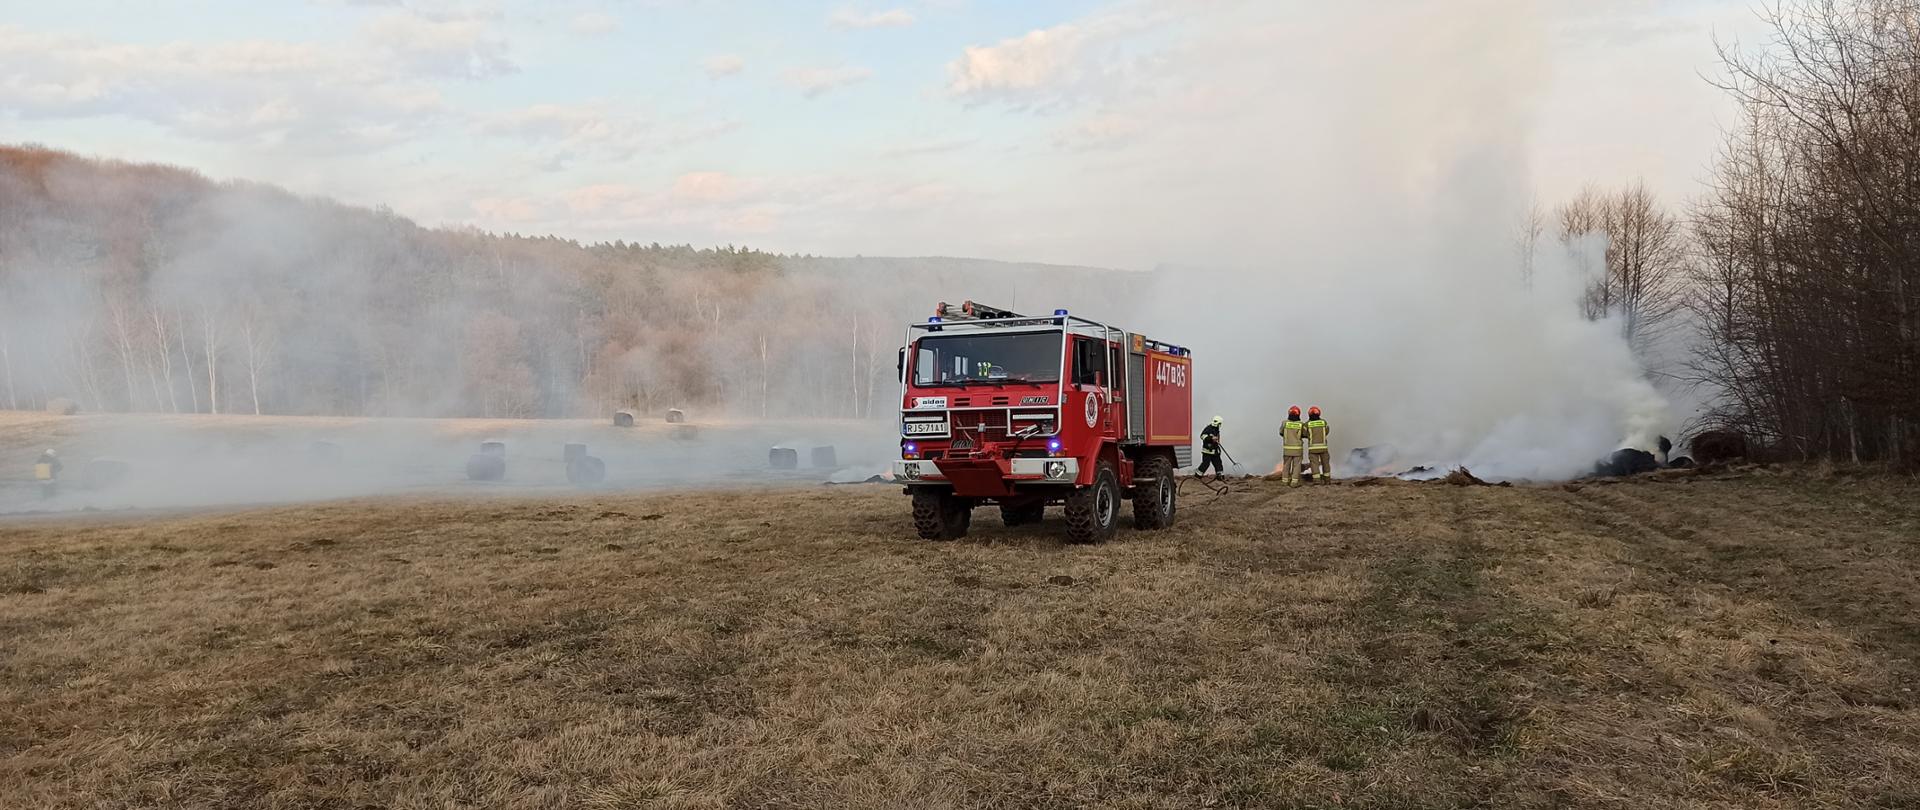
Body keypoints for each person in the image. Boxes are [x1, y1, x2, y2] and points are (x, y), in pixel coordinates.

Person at [1279, 406, 1307, 487]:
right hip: (1297, 450)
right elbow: (1305, 434)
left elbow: (1281, 432)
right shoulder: (1301, 424)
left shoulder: (1284, 423)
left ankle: (1285, 482)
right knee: (1296, 466)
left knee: (1286, 465)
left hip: (1287, 449)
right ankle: (1294, 483)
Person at [1306, 406, 1332, 483]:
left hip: (1313, 448)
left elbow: (1304, 433)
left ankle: (1317, 481)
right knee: (1325, 463)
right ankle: (1327, 480)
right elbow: (1327, 431)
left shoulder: (1307, 424)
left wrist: (1311, 436)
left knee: (1314, 464)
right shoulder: (1324, 422)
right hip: (1323, 447)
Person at [1197, 416, 1225, 481]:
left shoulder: (1216, 429)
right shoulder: (1208, 428)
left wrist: (1217, 441)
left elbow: (1217, 437)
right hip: (1207, 451)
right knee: (1205, 464)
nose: (1220, 425)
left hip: (1215, 450)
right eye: (1220, 424)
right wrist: (1211, 438)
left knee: (1218, 463)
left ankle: (1220, 476)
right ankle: (1197, 476)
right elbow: (1202, 436)